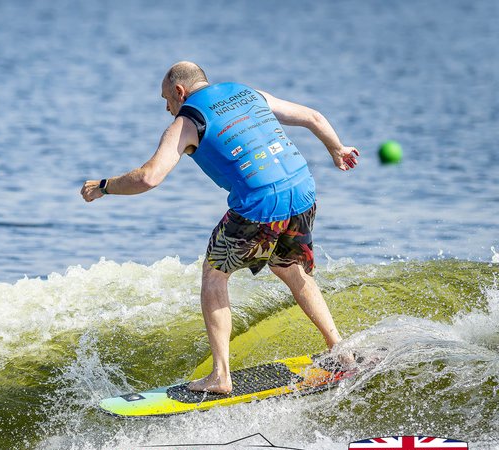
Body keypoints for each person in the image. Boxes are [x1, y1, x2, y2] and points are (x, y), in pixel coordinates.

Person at [80, 61, 359, 394]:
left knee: (214, 273)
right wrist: (337, 149)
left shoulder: (187, 120)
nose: (167, 108)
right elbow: (313, 117)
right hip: (302, 188)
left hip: (259, 201)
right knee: (290, 267)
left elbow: (148, 177)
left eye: (166, 99)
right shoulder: (247, 93)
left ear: (179, 91)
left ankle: (220, 376)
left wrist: (104, 185)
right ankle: (339, 349)